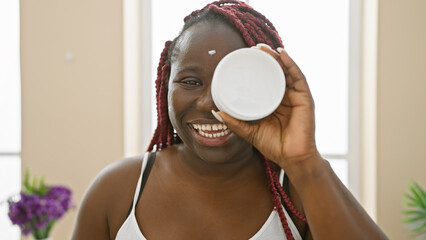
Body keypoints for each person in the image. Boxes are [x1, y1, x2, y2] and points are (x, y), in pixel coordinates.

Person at [72, 1, 388, 239]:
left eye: (235, 85)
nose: (210, 103)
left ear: (272, 88)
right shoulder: (120, 190)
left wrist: (304, 161)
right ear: (165, 84)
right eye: (191, 81)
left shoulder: (300, 191)